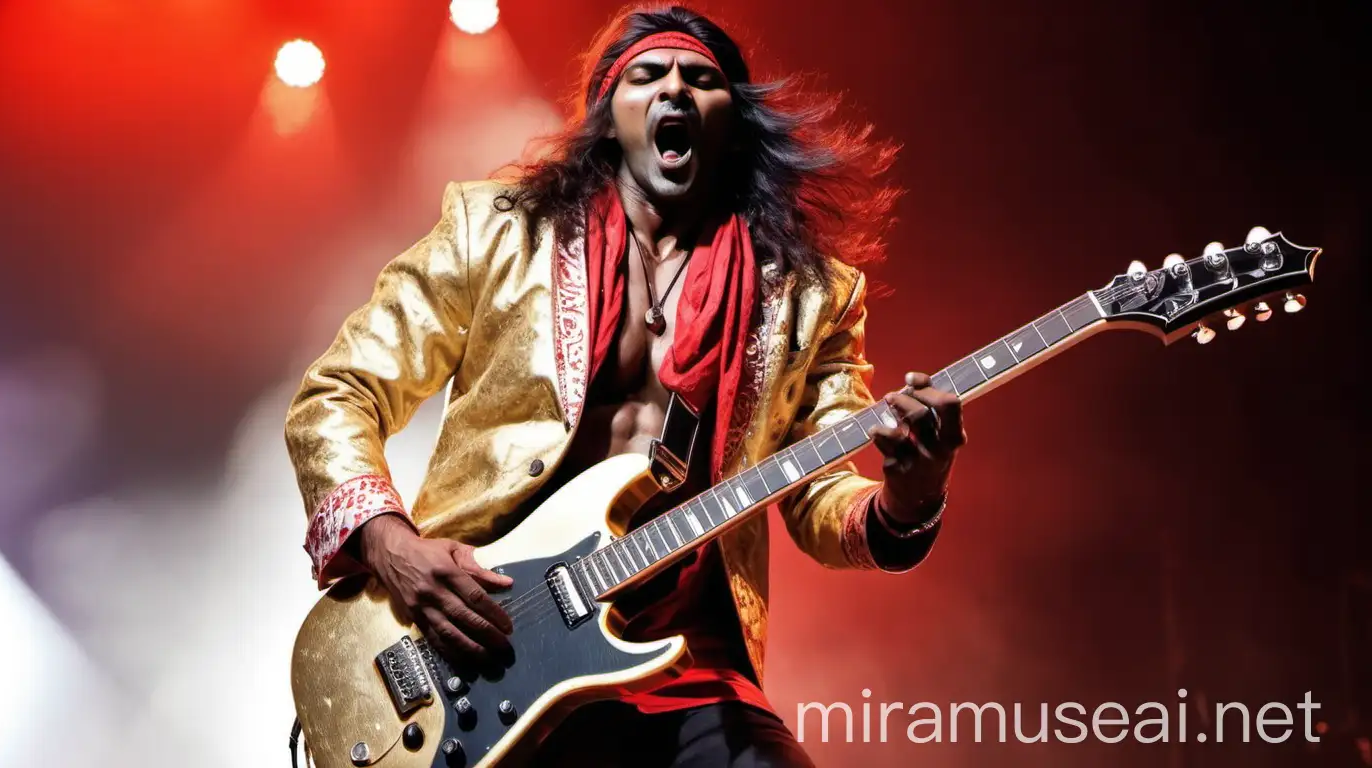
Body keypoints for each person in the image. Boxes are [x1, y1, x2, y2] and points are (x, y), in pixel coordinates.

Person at [284, 5, 966, 766]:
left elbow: (818, 496)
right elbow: (337, 394)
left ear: (731, 124)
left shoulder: (810, 295)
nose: (674, 90)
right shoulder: (497, 230)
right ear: (609, 117)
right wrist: (392, 546)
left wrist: (912, 498)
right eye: (648, 75)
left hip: (689, 668)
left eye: (701, 80)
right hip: (483, 643)